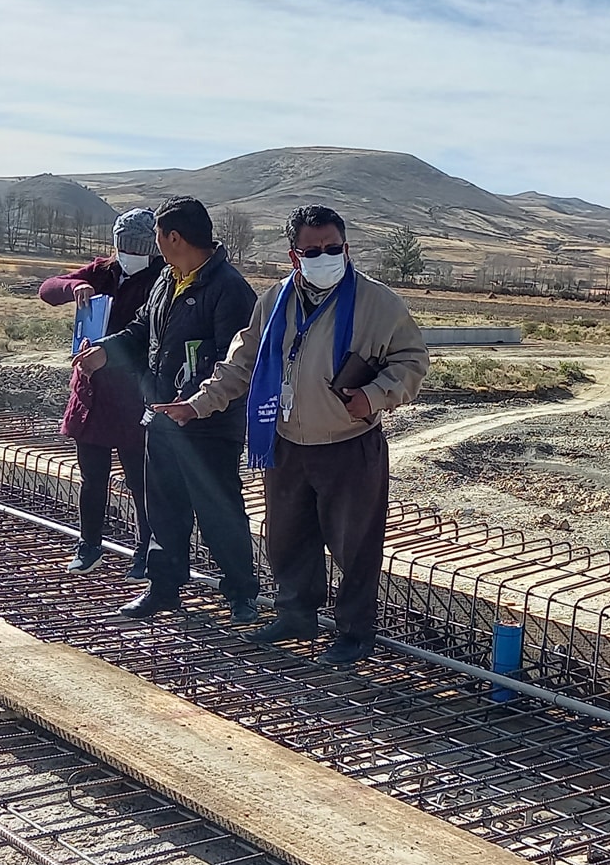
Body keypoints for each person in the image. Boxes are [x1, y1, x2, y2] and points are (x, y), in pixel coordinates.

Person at [160, 205, 428, 666]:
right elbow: (242, 362)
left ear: (346, 248)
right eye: (313, 250)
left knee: (355, 545)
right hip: (284, 441)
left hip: (348, 442)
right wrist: (197, 404)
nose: (325, 257)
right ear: (293, 256)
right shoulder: (275, 301)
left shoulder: (378, 302)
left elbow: (411, 361)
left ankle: (353, 633)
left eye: (333, 249)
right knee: (288, 538)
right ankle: (297, 614)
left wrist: (375, 395)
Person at [75, 197, 261, 622]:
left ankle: (240, 594)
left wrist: (194, 404)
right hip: (162, 415)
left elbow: (233, 360)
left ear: (173, 237)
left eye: (158, 235)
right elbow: (143, 329)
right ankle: (164, 588)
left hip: (209, 422)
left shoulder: (229, 290)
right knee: (164, 509)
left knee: (220, 510)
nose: (156, 244)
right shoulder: (168, 281)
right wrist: (106, 350)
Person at [40, 208, 167, 576]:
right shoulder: (101, 272)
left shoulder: (161, 279)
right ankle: (89, 545)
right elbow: (48, 289)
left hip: (133, 397)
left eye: (138, 245)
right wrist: (73, 287)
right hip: (92, 396)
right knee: (92, 478)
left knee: (141, 482)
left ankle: (146, 550)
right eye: (124, 244)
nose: (130, 251)